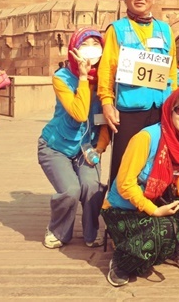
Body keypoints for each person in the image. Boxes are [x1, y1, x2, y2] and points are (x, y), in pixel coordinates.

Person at [101, 87, 179, 287]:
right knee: (161, 229)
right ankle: (122, 261)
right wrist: (153, 210)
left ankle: (166, 249)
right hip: (123, 209)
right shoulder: (147, 137)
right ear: (169, 110)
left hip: (156, 205)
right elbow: (125, 183)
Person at [97, 0, 178, 183]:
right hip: (129, 109)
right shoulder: (117, 29)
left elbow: (171, 72)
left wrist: (173, 106)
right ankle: (117, 211)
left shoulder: (165, 30)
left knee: (155, 163)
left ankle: (151, 208)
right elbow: (107, 69)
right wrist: (106, 103)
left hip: (160, 108)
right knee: (124, 164)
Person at [37, 28, 110, 249]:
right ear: (74, 49)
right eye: (84, 44)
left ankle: (91, 230)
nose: (90, 50)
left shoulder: (104, 81)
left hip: (85, 149)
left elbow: (104, 120)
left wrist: (100, 147)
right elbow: (79, 113)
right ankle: (58, 230)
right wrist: (84, 77)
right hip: (55, 147)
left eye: (95, 44)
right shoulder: (62, 78)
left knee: (91, 187)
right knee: (70, 190)